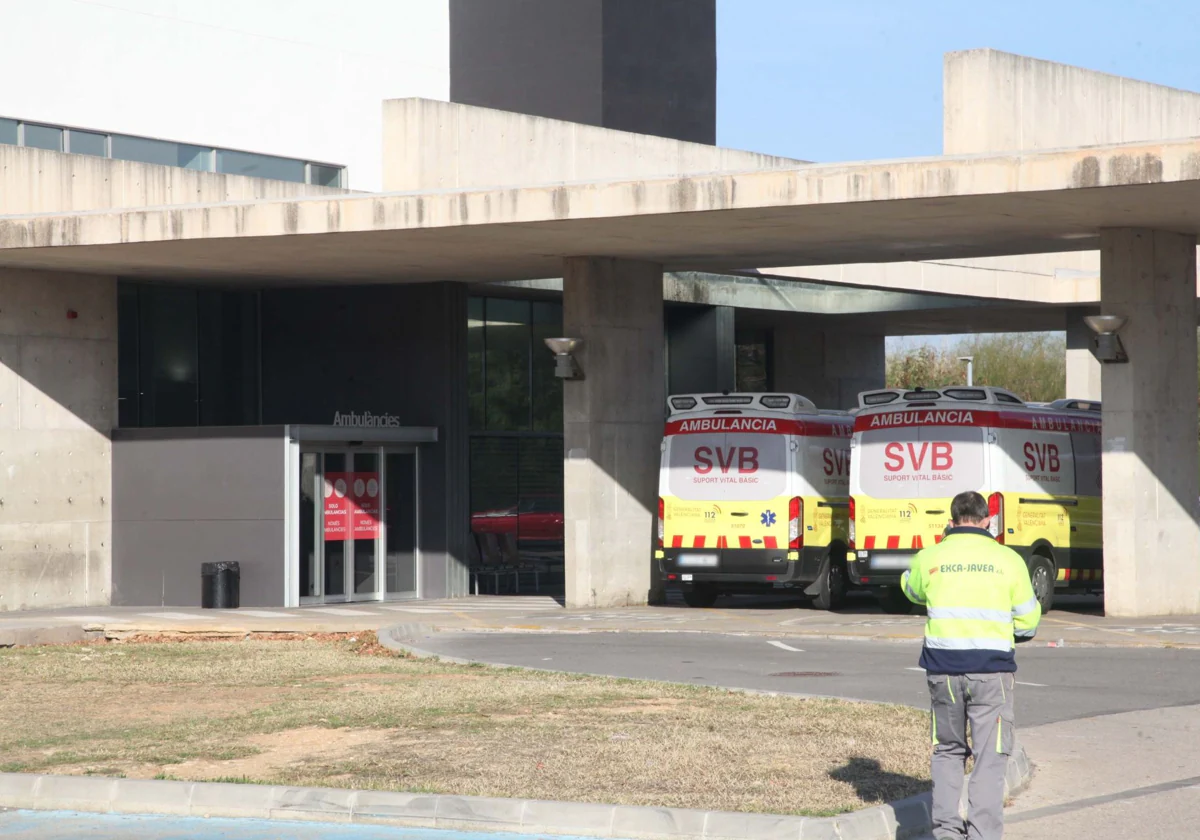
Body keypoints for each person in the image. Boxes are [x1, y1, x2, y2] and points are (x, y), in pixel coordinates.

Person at [901, 490, 1041, 840]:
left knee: (947, 750)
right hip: (991, 673)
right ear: (988, 520)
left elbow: (911, 589)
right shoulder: (1008, 560)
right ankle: (982, 835)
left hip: (943, 671)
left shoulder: (930, 557)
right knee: (990, 757)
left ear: (950, 522)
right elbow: (1028, 621)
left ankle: (947, 833)